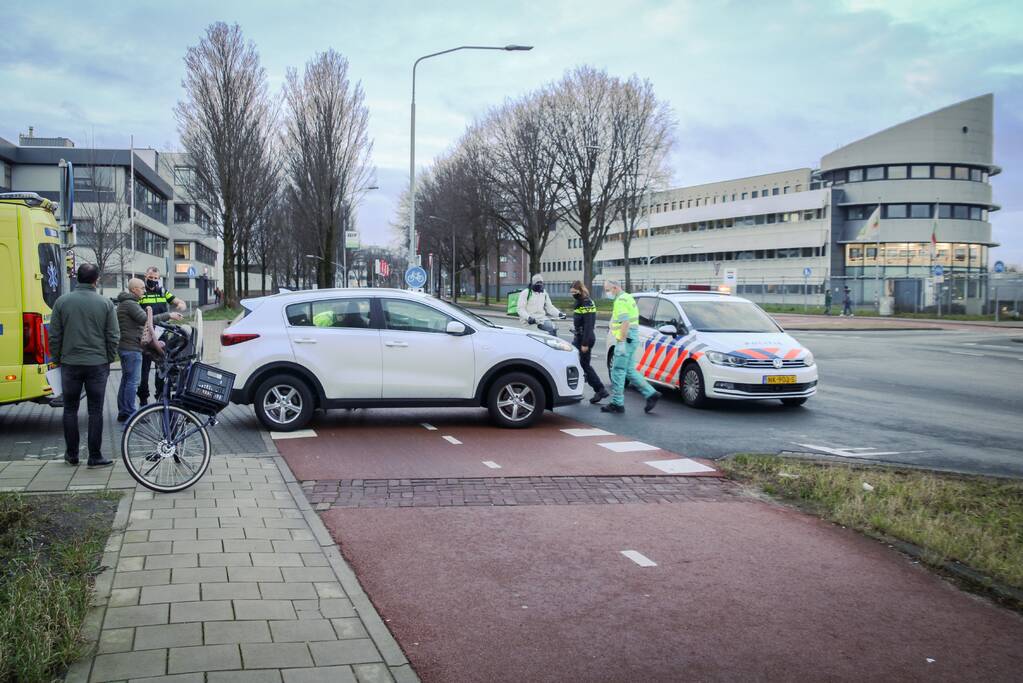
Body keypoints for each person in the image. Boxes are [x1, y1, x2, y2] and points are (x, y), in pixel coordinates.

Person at [48, 263, 119, 467]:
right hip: (97, 363)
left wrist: (57, 358)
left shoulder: (62, 302)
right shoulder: (105, 303)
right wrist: (108, 358)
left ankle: (71, 454)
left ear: (77, 278)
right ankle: (94, 456)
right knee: (95, 410)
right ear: (96, 280)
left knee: (70, 409)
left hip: (70, 363)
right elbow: (113, 336)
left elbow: (54, 335)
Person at [116, 278, 182, 422]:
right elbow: (146, 319)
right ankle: (131, 413)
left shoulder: (127, 303)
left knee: (126, 380)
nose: (144, 291)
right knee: (132, 382)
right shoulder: (130, 304)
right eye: (142, 288)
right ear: (134, 289)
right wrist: (169, 315)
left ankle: (123, 411)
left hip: (126, 346)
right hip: (132, 347)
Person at [602, 279, 660, 415]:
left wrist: (621, 342)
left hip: (625, 339)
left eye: (608, 290)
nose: (607, 293)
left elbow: (625, 322)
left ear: (615, 288)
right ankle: (651, 393)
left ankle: (617, 403)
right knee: (629, 370)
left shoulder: (621, 301)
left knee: (617, 371)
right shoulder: (628, 297)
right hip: (631, 338)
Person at [138, 267, 186, 405]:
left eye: (155, 278)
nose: (153, 280)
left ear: (159, 279)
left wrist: (181, 306)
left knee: (162, 368)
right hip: (146, 336)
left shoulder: (163, 292)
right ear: (145, 277)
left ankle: (160, 397)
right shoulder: (142, 293)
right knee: (144, 369)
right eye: (150, 277)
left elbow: (180, 302)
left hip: (162, 335)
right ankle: (143, 399)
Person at [570, 280, 609, 404]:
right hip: (579, 337)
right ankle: (589, 385)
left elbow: (588, 324)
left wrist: (585, 343)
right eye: (571, 292)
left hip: (585, 338)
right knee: (577, 363)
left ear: (580, 291)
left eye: (574, 292)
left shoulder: (586, 303)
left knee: (584, 365)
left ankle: (600, 389)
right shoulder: (580, 302)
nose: (573, 294)